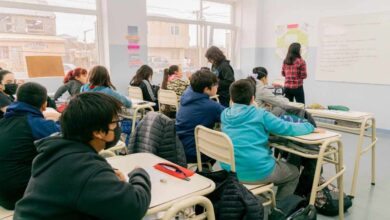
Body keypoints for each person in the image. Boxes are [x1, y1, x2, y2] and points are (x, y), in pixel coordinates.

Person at [14, 93, 151, 219]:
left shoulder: (56, 151)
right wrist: (139, 173)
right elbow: (134, 207)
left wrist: (105, 179)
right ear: (98, 132)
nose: (117, 128)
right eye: (115, 123)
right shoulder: (85, 168)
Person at [220, 79, 320, 200]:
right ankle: (281, 211)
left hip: (230, 171)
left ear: (231, 99)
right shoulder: (261, 115)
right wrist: (309, 126)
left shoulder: (224, 114)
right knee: (293, 173)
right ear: (253, 99)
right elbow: (287, 128)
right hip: (258, 171)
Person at [0, 82, 60, 210]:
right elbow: (70, 132)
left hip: (3, 195)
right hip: (22, 195)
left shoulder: (4, 122)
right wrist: (60, 118)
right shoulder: (34, 124)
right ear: (44, 105)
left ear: (16, 99)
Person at [176, 69, 225, 163]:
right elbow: (231, 117)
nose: (217, 86)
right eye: (215, 84)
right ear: (206, 89)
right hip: (195, 152)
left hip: (180, 147)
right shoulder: (211, 106)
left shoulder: (186, 95)